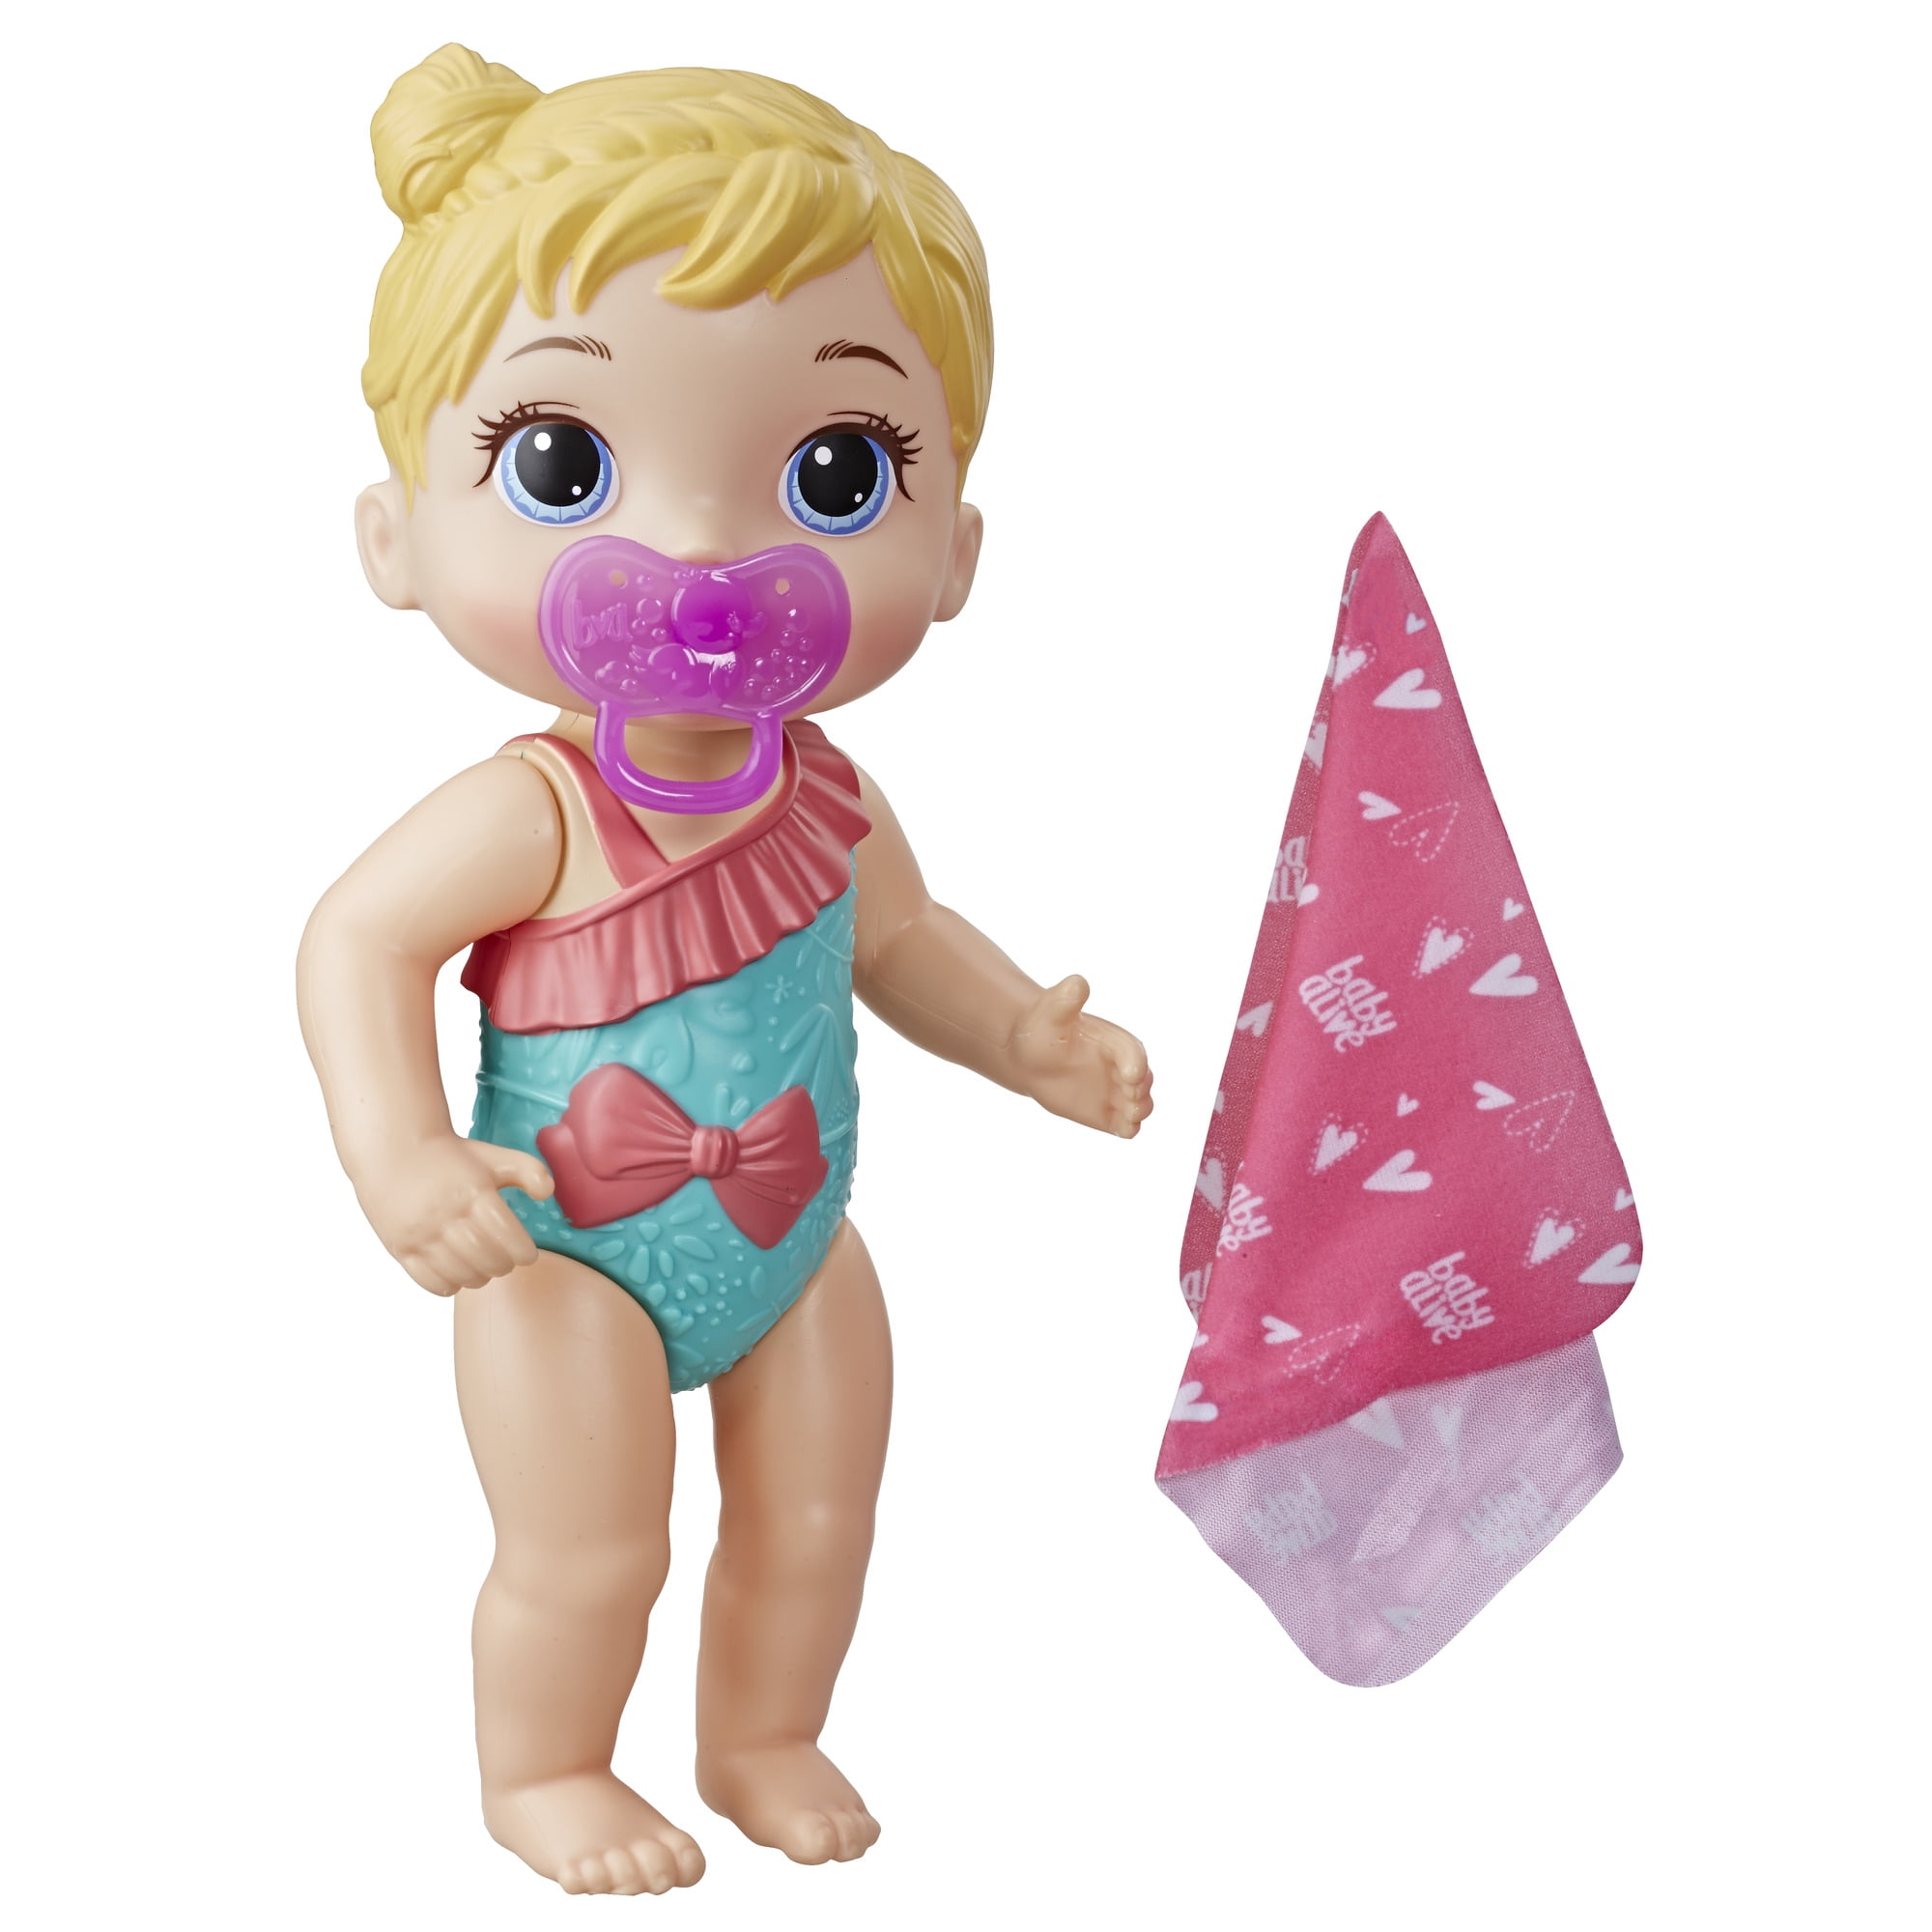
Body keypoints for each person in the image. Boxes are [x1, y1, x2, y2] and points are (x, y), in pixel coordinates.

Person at [298, 44, 1152, 1898]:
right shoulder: (532, 807)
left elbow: (899, 937)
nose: (699, 555)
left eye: (836, 474)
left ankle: (762, 1732)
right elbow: (357, 938)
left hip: (794, 1235)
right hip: (562, 1255)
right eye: (566, 465)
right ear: (395, 532)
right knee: (591, 1546)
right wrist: (402, 1152)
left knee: (819, 1515)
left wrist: (1019, 1036)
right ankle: (545, 1768)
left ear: (957, 550)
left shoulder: (826, 792)